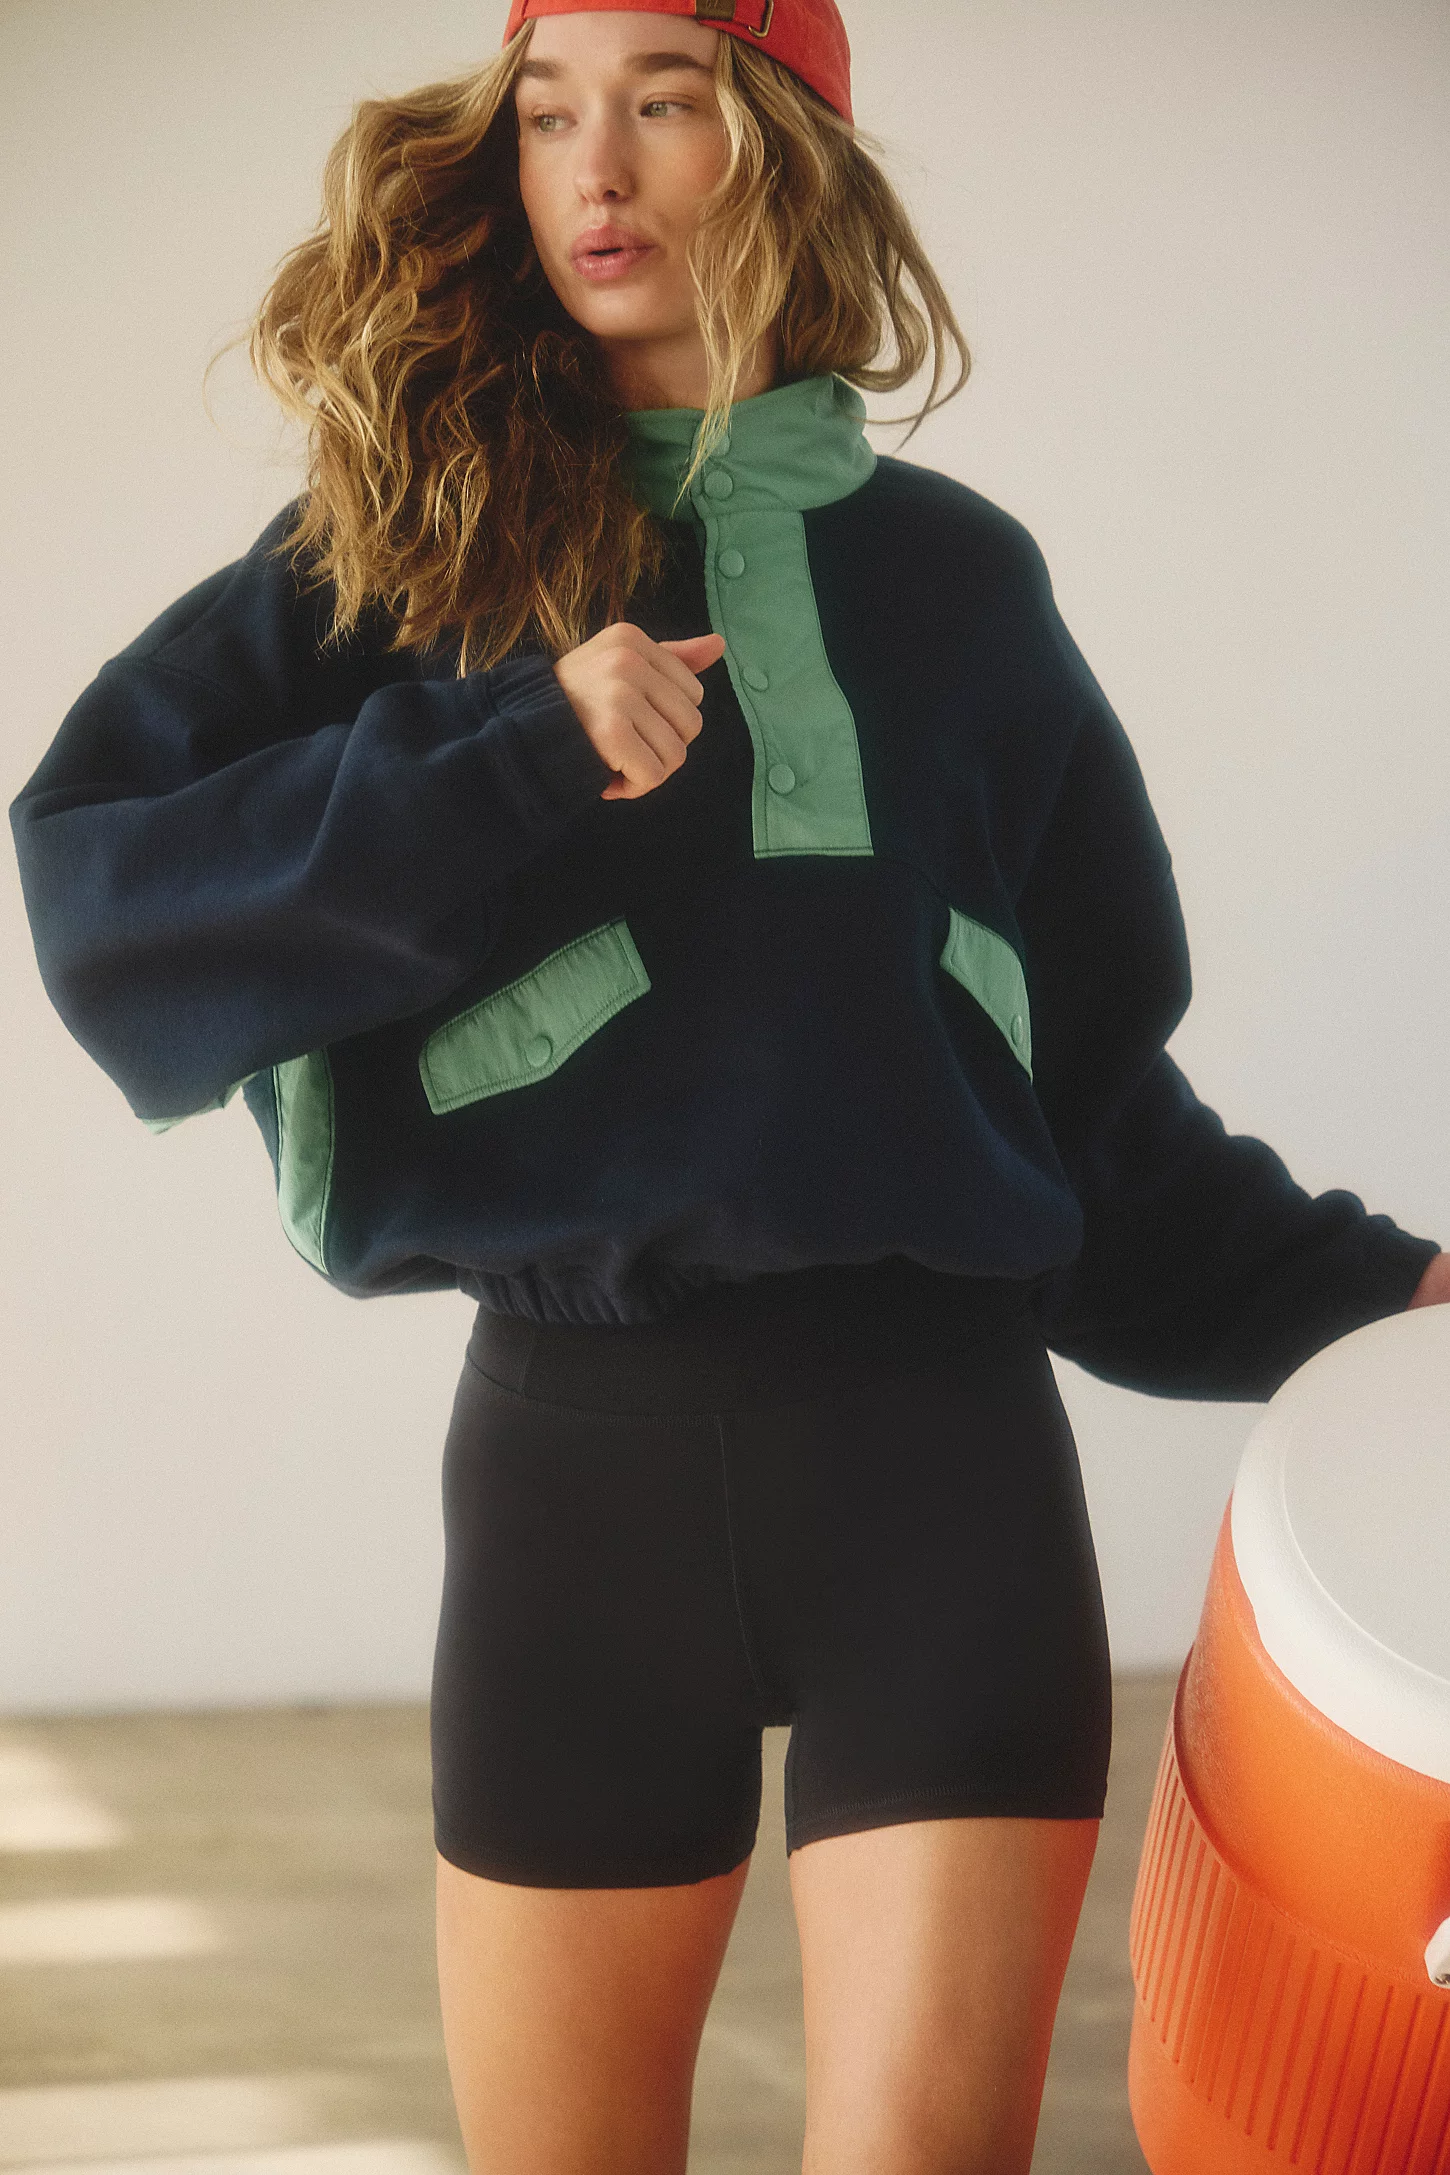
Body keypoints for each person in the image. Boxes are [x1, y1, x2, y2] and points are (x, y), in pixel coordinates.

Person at [10, 3, 1447, 2169]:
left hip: (944, 1487)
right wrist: (507, 751)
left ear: (782, 145)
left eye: (662, 103)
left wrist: (1386, 1302)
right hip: (570, 1495)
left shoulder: (964, 587)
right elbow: (105, 893)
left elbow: (1080, 1115)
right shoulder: (402, 552)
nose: (592, 168)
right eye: (546, 115)